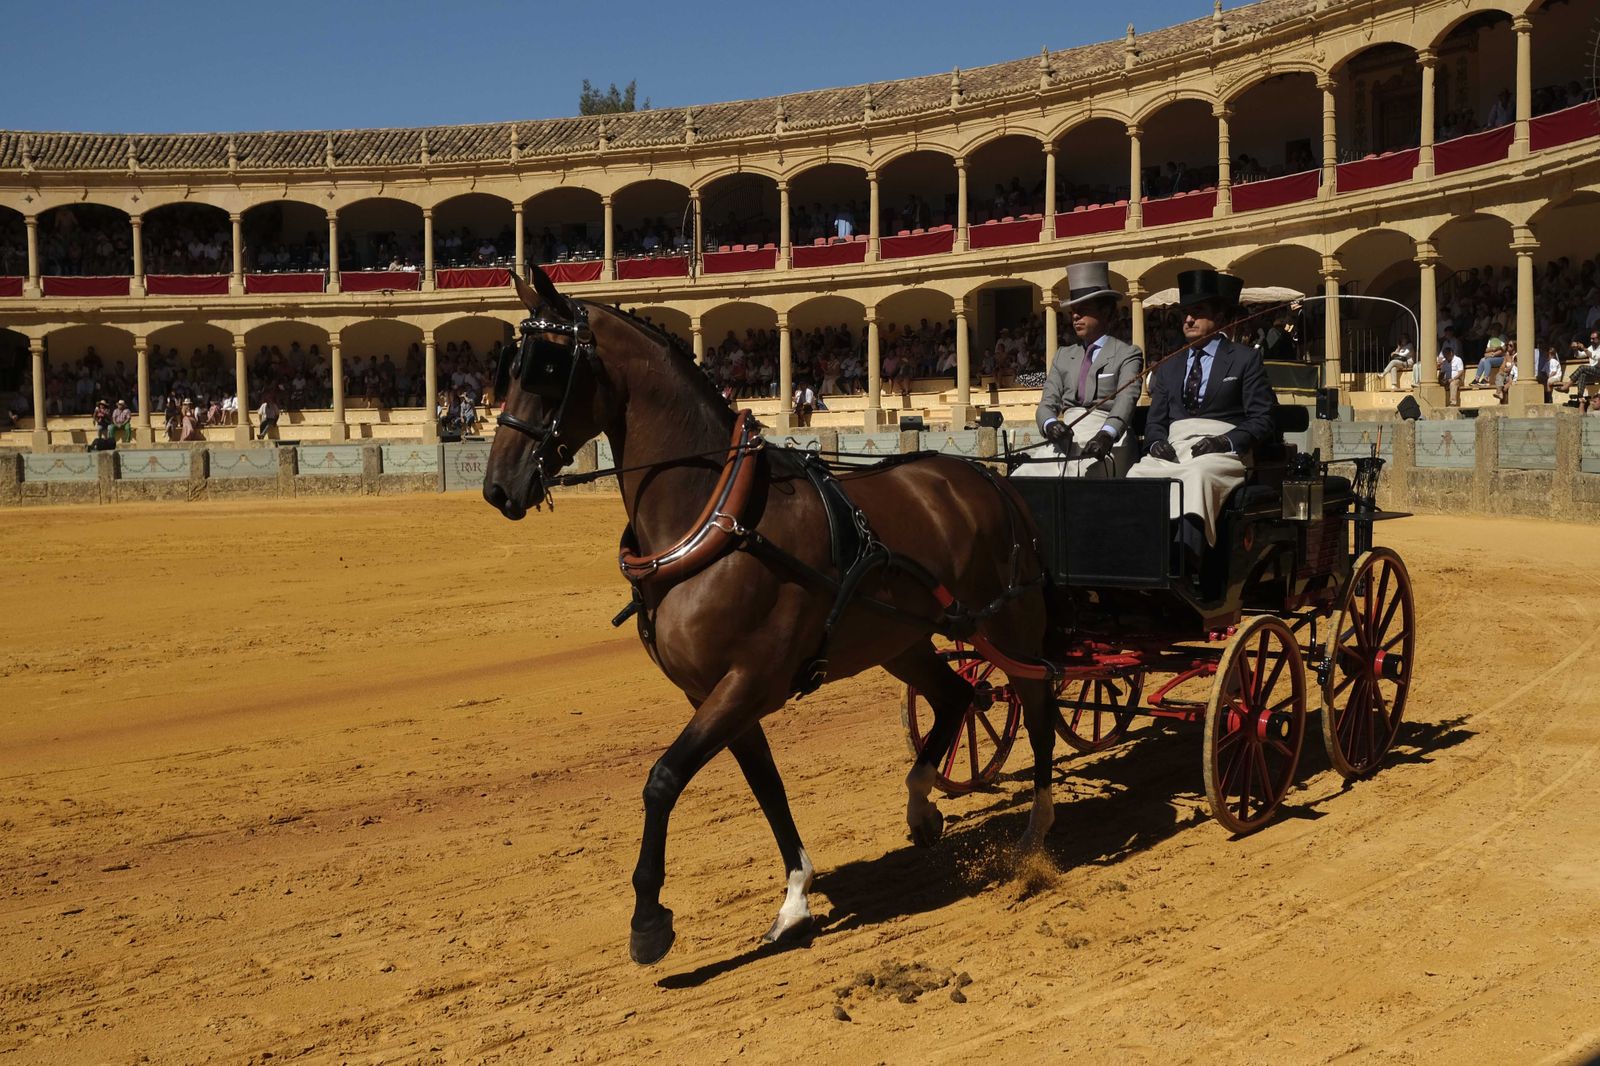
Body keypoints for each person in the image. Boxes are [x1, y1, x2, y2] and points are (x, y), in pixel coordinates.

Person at [1127, 269, 1276, 552]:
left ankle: (1188, 559)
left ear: (1218, 317)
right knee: (1137, 474)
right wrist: (1156, 443)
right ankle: (1138, 554)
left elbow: (1262, 418)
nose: (1188, 319)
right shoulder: (1169, 365)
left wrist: (1225, 441)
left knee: (1197, 476)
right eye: (1185, 313)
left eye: (1198, 312)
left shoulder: (1245, 359)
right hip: (1175, 448)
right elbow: (1156, 422)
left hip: (1223, 454)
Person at [1017, 260, 1144, 478]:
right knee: (1022, 477)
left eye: (1083, 310)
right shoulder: (1063, 355)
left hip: (1108, 438)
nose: (1075, 316)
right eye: (1073, 311)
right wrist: (1050, 425)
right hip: (1066, 438)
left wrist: (1107, 434)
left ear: (1106, 312)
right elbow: (1047, 403)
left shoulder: (1127, 354)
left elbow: (1126, 400)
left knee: (1085, 477)